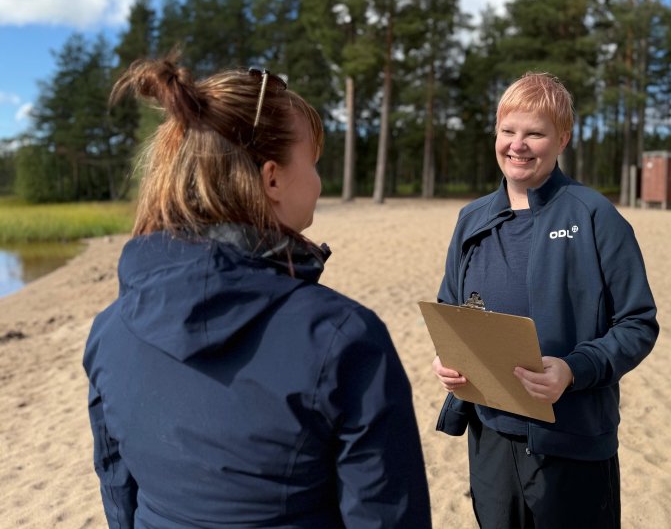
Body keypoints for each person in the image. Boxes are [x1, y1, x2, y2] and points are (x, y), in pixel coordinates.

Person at [83, 56, 432, 528]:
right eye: (312, 162)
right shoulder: (344, 338)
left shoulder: (109, 332)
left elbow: (119, 495)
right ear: (272, 178)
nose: (318, 181)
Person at [432, 72, 658, 528]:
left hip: (571, 436)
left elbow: (638, 323)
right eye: (508, 131)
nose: (518, 145)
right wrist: (449, 361)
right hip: (490, 432)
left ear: (563, 139)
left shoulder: (595, 216)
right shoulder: (470, 219)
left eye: (535, 133)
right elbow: (451, 312)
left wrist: (574, 370)